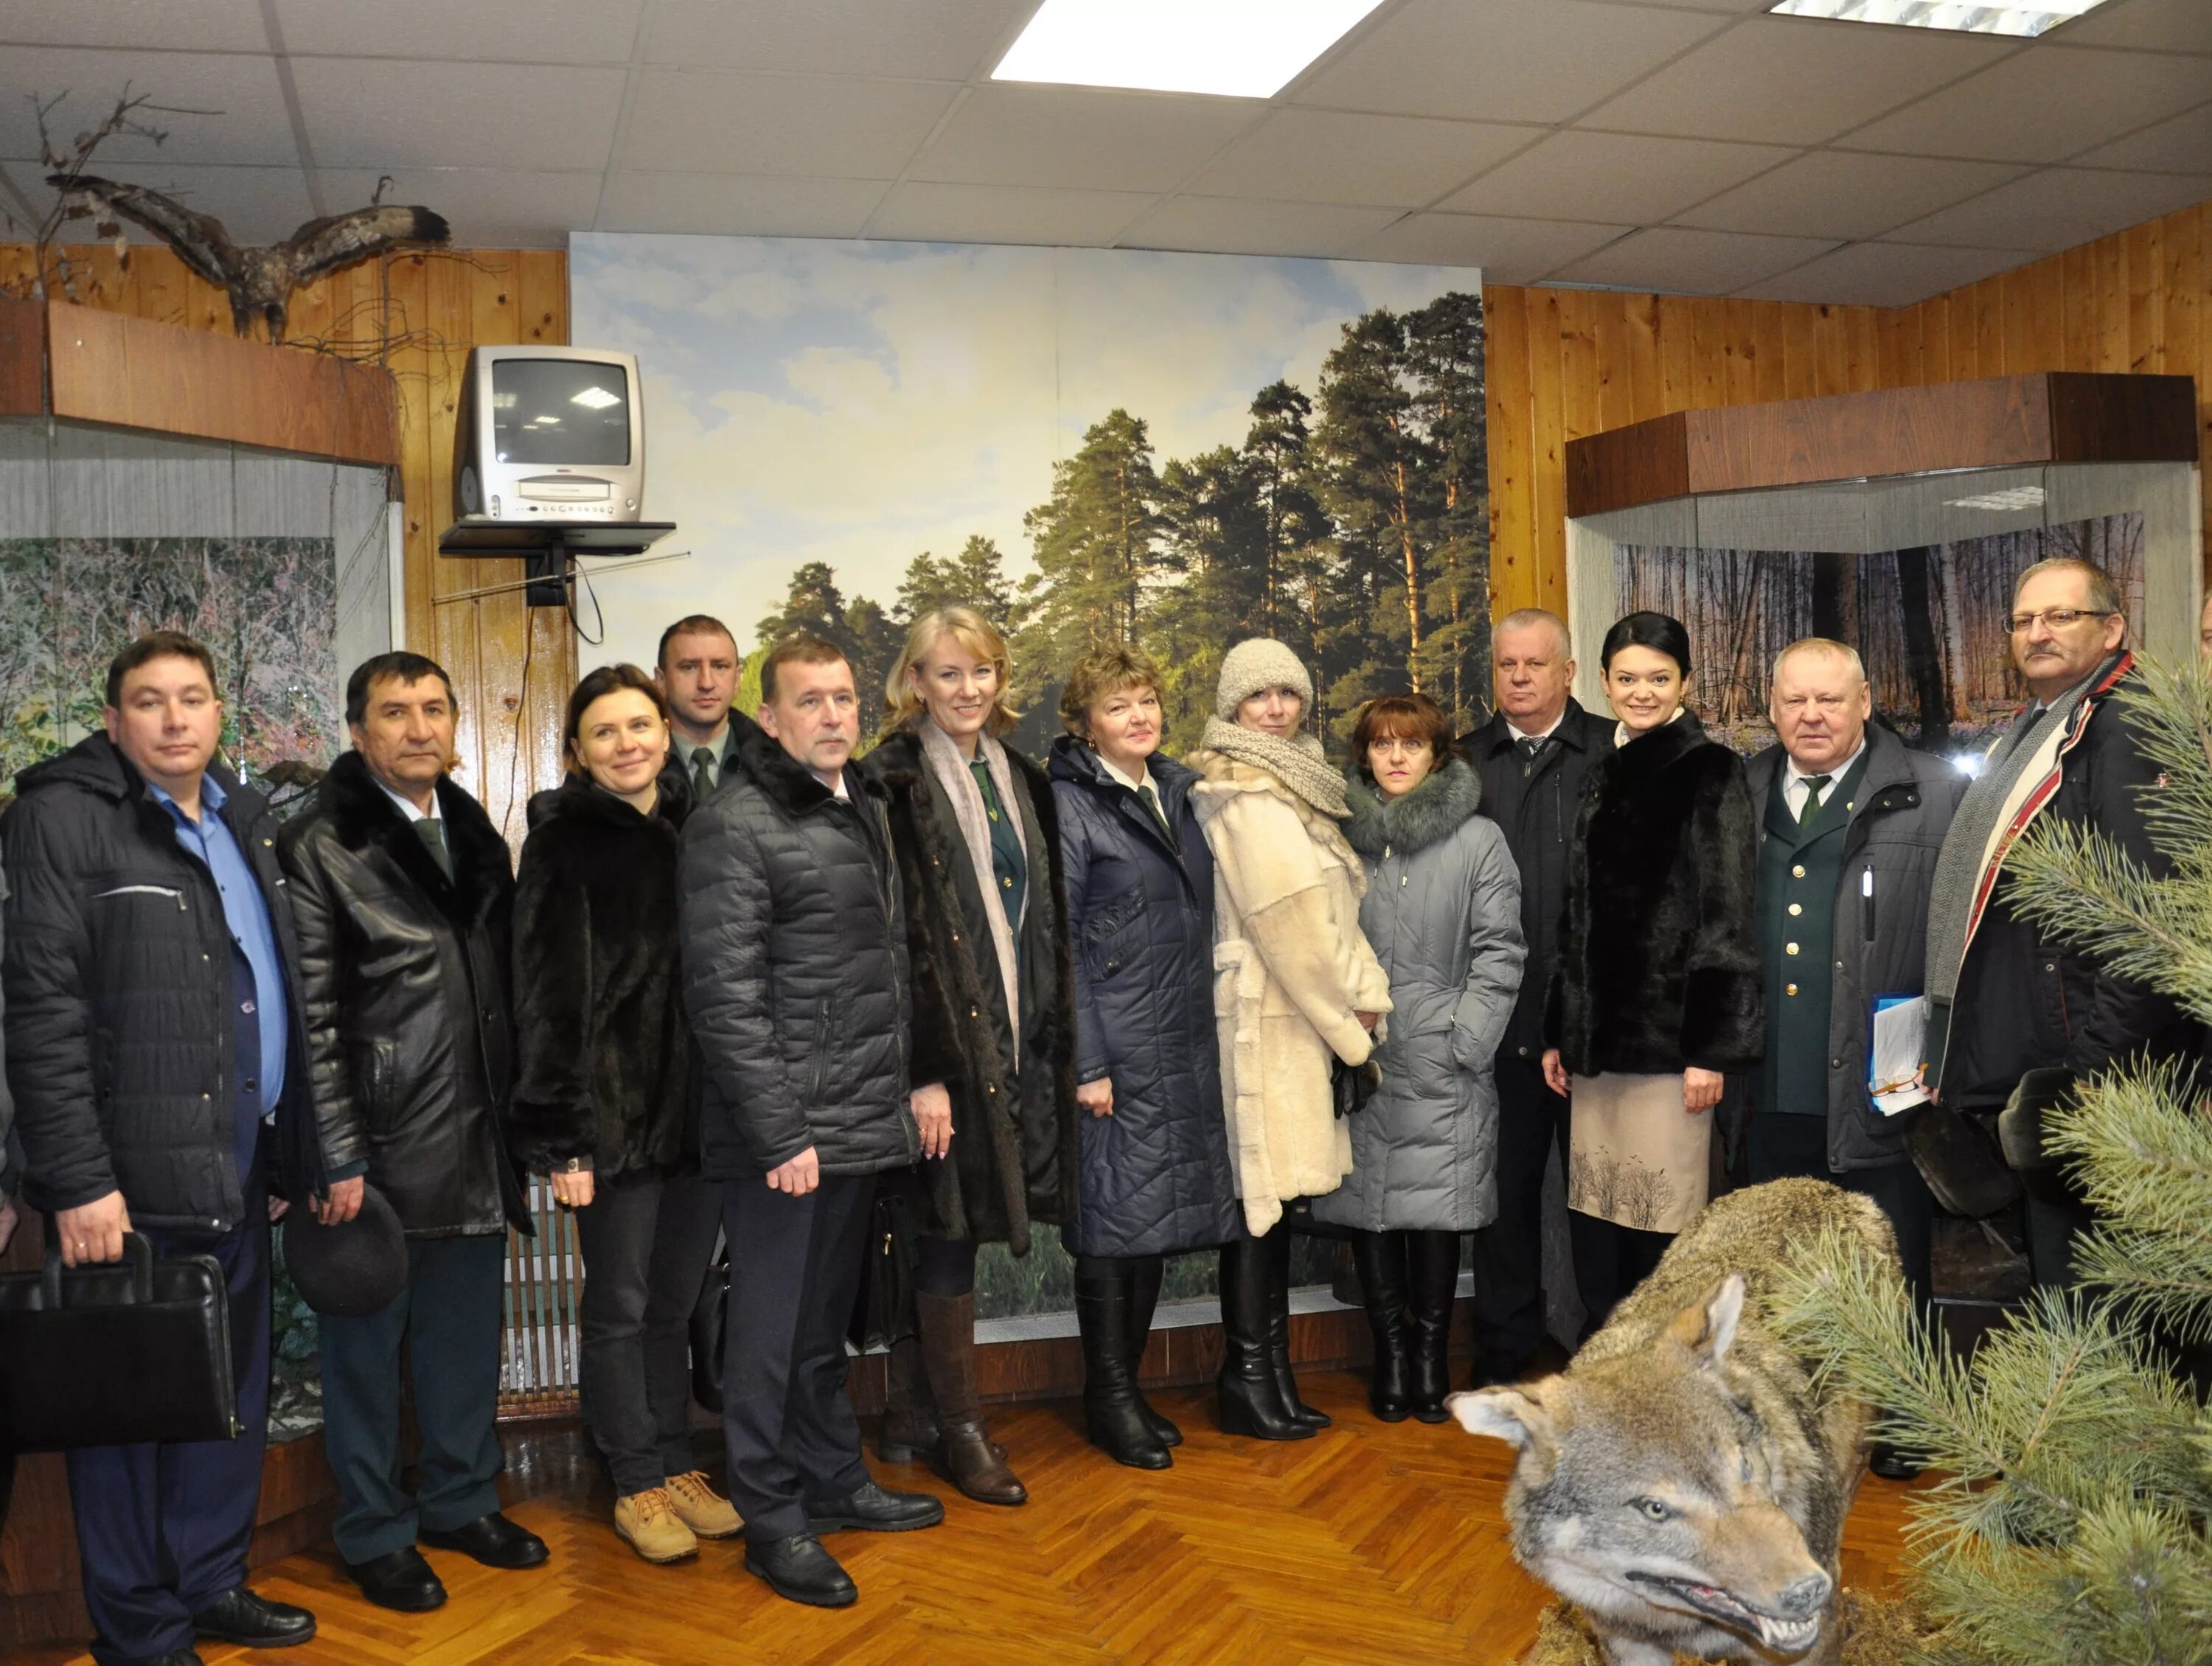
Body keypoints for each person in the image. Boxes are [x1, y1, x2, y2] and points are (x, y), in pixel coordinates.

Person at [4, 630, 321, 1665]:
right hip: (124, 1187)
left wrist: (281, 1152)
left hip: (236, 1161)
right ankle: (139, 1630)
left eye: (193, 697)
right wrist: (79, 1182)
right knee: (125, 1413)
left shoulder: (244, 816)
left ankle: (210, 1582)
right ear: (112, 719)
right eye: (150, 700)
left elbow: (269, 985)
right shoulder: (61, 817)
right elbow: (40, 1011)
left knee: (224, 1394)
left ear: (220, 712)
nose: (176, 718)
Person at [679, 632, 942, 1609]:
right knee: (765, 1334)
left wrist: (919, 1080)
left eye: (843, 698)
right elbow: (723, 996)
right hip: (782, 1139)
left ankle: (833, 1480)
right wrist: (781, 1133)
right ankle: (773, 1518)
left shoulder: (864, 804)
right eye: (811, 701)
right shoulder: (734, 824)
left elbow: (887, 968)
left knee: (823, 1328)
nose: (833, 716)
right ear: (773, 717)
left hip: (862, 1119)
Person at [279, 652, 545, 1614]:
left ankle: (461, 1502)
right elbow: (310, 1018)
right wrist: (335, 1154)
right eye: (396, 712)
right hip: (376, 1150)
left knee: (463, 1343)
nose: (420, 727)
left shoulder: (477, 837)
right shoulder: (321, 846)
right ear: (359, 733)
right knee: (363, 1358)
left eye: (436, 708)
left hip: (476, 1136)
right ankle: (376, 1532)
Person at [509, 665, 735, 1564]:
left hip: (700, 1120)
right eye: (605, 732)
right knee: (619, 1306)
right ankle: (634, 1476)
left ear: (664, 731)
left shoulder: (699, 826)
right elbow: (547, 999)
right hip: (610, 1125)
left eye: (640, 725)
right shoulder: (564, 844)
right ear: (577, 752)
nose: (628, 743)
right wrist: (565, 1136)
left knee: (674, 1305)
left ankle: (676, 1460)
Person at [1925, 558, 2197, 1288]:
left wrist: (2091, 1074)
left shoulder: (2127, 724)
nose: (2037, 632)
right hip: (2052, 1061)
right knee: (2059, 1289)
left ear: (2113, 628)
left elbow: (2150, 916)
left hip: (2099, 1081)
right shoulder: (2046, 725)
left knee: (2096, 1305)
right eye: (2023, 619)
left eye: (2060, 616)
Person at [1731, 636, 1963, 1484]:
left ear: (1866, 701)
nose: (1812, 715)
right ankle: (1795, 1414)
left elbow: (1958, 943)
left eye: (1830, 699)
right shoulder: (1743, 788)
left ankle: (1903, 1415)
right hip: (1772, 1068)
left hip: (1888, 1061)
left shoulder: (1933, 792)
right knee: (1783, 1249)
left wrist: (1940, 1051)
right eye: (1795, 700)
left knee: (1890, 1246)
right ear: (1773, 706)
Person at [862, 607, 1078, 1505]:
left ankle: (914, 1412)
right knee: (944, 1230)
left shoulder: (1022, 776)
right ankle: (962, 1430)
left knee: (955, 1227)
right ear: (914, 682)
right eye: (946, 675)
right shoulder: (887, 778)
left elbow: (1044, 916)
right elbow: (892, 933)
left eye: (981, 672)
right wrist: (927, 1068)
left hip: (1016, 1037)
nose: (967, 690)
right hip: (938, 1052)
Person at [1188, 638, 1391, 1440]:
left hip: (1297, 1017)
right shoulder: (1244, 794)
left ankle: (1265, 1373)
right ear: (1232, 705)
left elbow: (1336, 918)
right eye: (1257, 695)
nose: (1275, 708)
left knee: (1273, 1206)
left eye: (1287, 692)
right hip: (1269, 1022)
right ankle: (1246, 1375)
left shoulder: (1295, 783)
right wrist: (1354, 1029)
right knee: (1261, 1204)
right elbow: (1294, 930)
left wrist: (1365, 998)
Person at [1047, 644, 1239, 1469]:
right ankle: (1109, 1396)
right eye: (1119, 704)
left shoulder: (1179, 791)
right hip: (1116, 1048)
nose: (1139, 716)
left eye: (1148, 700)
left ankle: (1130, 1388)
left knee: (1150, 1220)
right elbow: (1057, 945)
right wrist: (1086, 1062)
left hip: (1183, 1038)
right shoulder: (1068, 803)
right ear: (1086, 723)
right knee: (1109, 1220)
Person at [1543, 611, 1761, 1336]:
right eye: (1628, 678)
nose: (1642, 692)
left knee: (1663, 1237)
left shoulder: (1711, 770)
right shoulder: (1602, 772)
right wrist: (1560, 1030)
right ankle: (1613, 1386)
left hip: (1671, 1057)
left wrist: (1709, 1049)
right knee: (1598, 1232)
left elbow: (1727, 919)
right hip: (1595, 1055)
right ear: (1603, 682)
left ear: (1686, 683)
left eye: (1659, 679)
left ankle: (1666, 1392)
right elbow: (1578, 915)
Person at [1315, 694, 1523, 1424]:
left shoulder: (1479, 842)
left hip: (1443, 1060)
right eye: (1382, 745)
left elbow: (1502, 952)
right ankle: (1393, 1362)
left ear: (1439, 755)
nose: (1397, 757)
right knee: (1370, 1210)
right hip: (1361, 1057)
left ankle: (1430, 1361)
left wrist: (1466, 1038)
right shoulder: (1339, 837)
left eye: (1412, 744)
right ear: (1365, 755)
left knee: (1435, 1214)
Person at [1460, 607, 1614, 1387]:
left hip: (1594, 1029)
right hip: (1497, 1028)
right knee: (1505, 1199)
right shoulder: (1463, 765)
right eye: (1506, 666)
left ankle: (1606, 1352)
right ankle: (1505, 1348)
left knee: (1598, 1203)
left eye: (1533, 664)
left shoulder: (1616, 752)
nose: (1518, 678)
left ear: (1569, 673)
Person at [657, 614, 744, 802]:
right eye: (689, 667)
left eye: (719, 666)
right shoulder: (635, 767)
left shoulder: (778, 771)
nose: (706, 683)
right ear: (661, 680)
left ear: (737, 680)